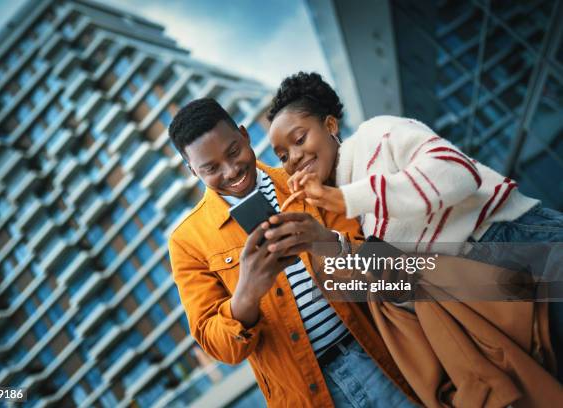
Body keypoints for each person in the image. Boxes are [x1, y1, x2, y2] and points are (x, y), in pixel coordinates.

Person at [266, 71, 563, 382]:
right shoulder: (353, 214)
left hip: (511, 240)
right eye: (283, 156)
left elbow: (457, 172)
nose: (295, 157)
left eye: (299, 139)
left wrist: (343, 198)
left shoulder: (374, 135)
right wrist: (324, 242)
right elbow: (410, 286)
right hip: (488, 294)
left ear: (330, 125)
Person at [167, 98, 418, 407]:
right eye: (211, 168)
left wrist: (324, 243)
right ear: (193, 170)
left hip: (380, 359)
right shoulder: (187, 242)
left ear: (245, 135)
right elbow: (220, 347)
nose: (231, 171)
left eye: (234, 152)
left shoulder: (307, 180)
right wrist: (245, 296)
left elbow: (391, 278)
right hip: (305, 395)